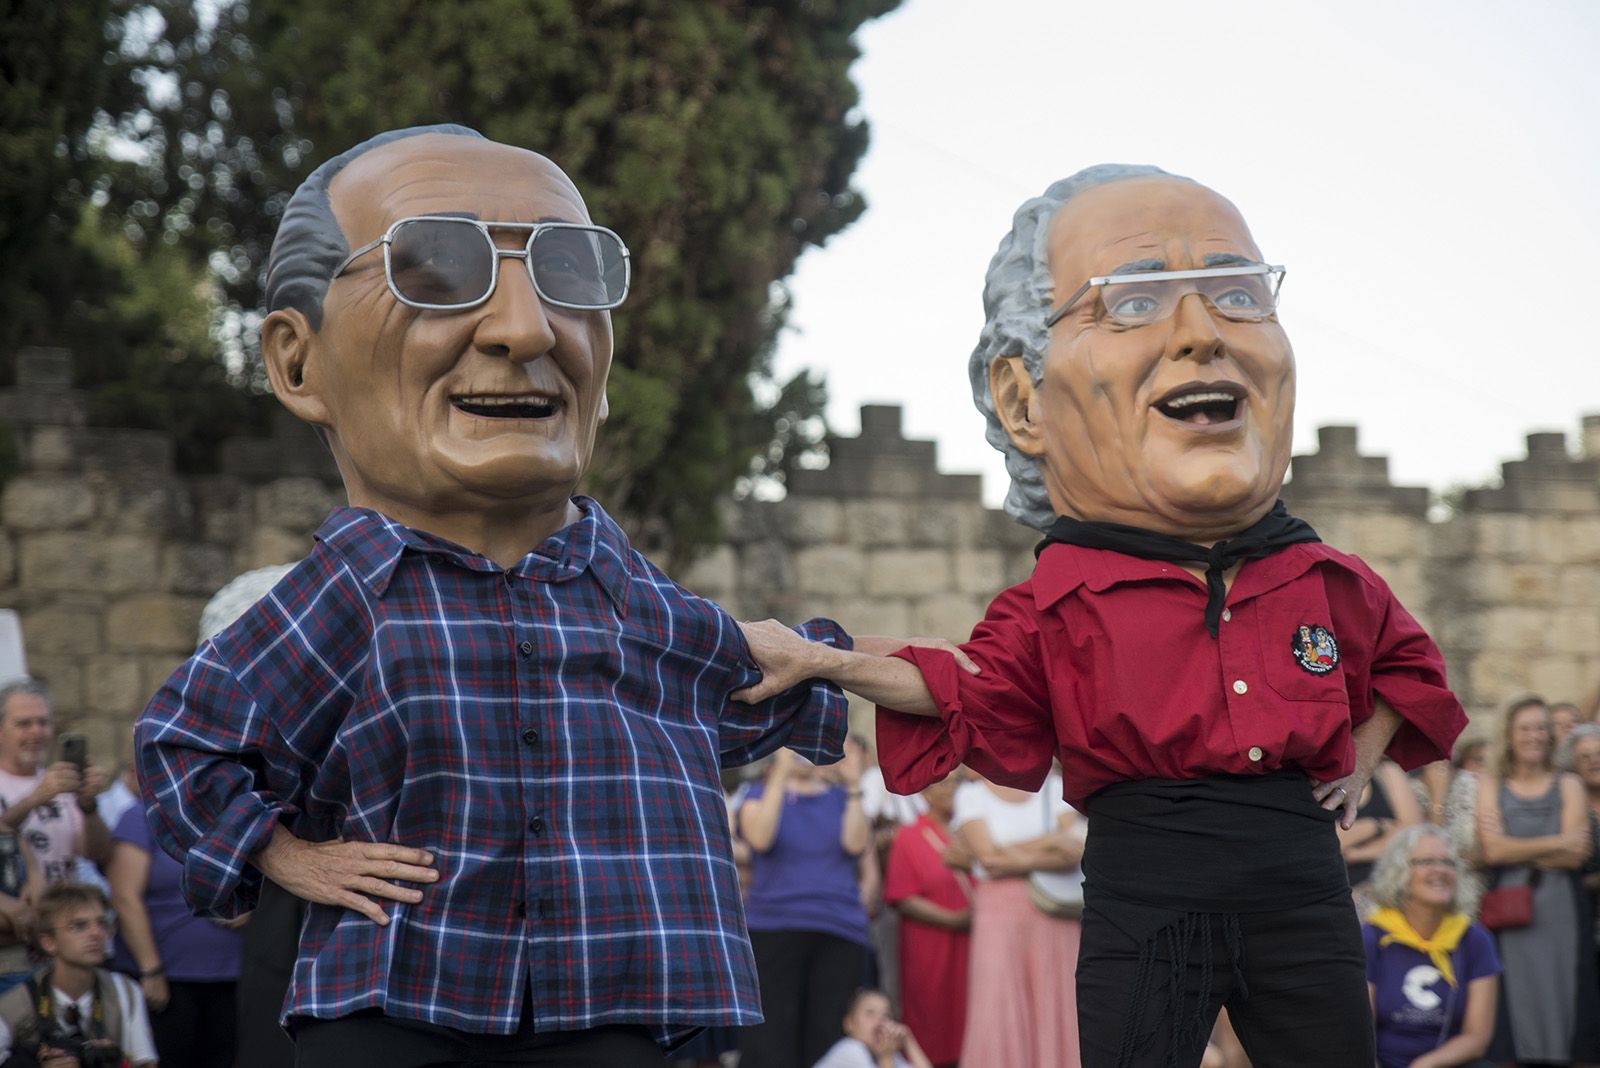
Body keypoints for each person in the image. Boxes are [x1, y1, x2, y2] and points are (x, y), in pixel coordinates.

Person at [135, 125, 857, 1066]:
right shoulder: (358, 589)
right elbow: (184, 740)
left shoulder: (628, 598)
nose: (525, 326)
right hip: (403, 1000)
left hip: (610, 1001)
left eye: (570, 271)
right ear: (297, 364)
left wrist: (913, 673)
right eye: (434, 267)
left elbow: (776, 685)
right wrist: (287, 857)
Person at [735, 164, 1467, 1068]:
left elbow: (1407, 665)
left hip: (1298, 878)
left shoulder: (1324, 575)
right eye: (1134, 302)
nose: (1201, 333)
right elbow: (960, 681)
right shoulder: (1059, 598)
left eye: (1237, 293)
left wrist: (1356, 766)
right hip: (1149, 881)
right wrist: (823, 660)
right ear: (1022, 400)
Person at [1474, 696, 1600, 1065]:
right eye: (1525, 728)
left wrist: (1516, 846)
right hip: (1509, 910)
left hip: (1561, 907)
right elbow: (1492, 851)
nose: (1535, 736)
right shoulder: (1490, 785)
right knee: (1515, 1003)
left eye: (1542, 728)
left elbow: (1577, 855)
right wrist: (1557, 841)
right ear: (1510, 735)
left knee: (1567, 998)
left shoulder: (1569, 785)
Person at [737, 746, 873, 1068]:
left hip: (839, 928)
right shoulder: (758, 794)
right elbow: (759, 838)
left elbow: (855, 844)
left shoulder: (842, 797)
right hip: (774, 925)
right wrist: (781, 773)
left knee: (828, 1036)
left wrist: (853, 785)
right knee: (770, 1037)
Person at [106, 769, 243, 1068]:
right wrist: (151, 969)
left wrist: (251, 907)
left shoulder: (236, 816)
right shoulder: (142, 815)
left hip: (234, 975)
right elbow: (124, 897)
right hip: (169, 978)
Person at [949, 770, 1081, 1068]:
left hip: (1054, 910)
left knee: (1055, 1001)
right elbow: (987, 858)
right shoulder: (972, 794)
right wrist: (1049, 843)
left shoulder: (1056, 787)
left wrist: (1008, 857)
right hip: (997, 913)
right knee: (996, 1002)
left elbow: (1074, 851)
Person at [1363, 825, 1500, 1068]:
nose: (1441, 871)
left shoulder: (1475, 939)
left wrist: (1426, 1065)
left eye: (1448, 863)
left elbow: (1477, 1037)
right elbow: (1361, 1032)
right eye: (1427, 861)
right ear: (1400, 871)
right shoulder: (1372, 937)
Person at [0, 883, 157, 1067]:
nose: (96, 933)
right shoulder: (16, 1001)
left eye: (102, 923)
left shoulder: (125, 990)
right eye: (79, 926)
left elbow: (145, 1063)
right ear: (48, 942)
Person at [882, 773, 970, 1067]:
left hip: (974, 945)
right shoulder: (910, 836)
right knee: (932, 1015)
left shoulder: (969, 832)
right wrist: (954, 920)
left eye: (957, 783)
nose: (953, 790)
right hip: (930, 945)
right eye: (946, 784)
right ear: (926, 793)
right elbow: (902, 896)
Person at [0, 682, 110, 887]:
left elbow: (96, 853)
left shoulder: (61, 783)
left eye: (43, 722)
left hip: (61, 911)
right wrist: (35, 798)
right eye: (24, 724)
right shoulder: (50, 785)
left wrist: (89, 807)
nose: (36, 732)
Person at [1343, 758, 1424, 909]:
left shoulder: (1387, 771)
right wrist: (1376, 826)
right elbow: (1331, 840)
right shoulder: (1320, 775)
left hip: (1388, 884)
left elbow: (1413, 835)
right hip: (1342, 887)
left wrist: (1358, 853)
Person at [811, 988, 933, 1068]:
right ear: (849, 1024)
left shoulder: (888, 1054)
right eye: (870, 1013)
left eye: (886, 1015)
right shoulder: (850, 1050)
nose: (880, 1020)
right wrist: (886, 1058)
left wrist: (908, 1041)